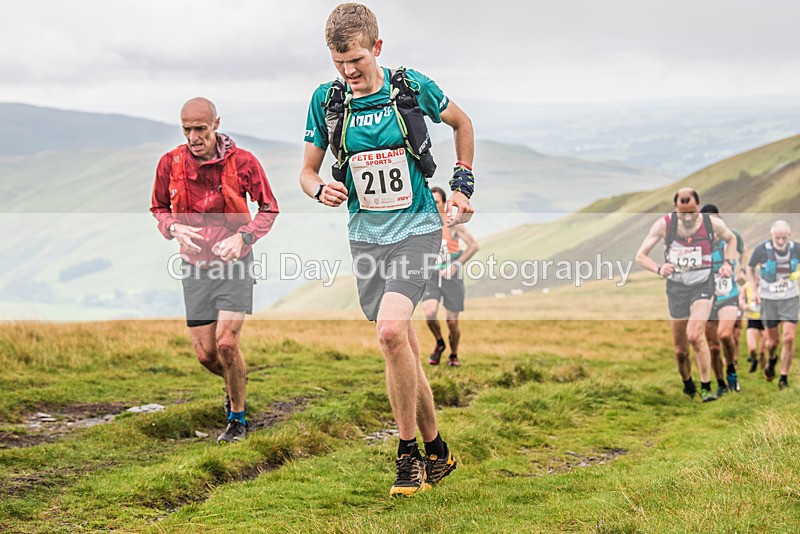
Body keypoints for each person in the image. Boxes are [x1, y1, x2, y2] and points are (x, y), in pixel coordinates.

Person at [299, 3, 474, 496]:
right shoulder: (327, 100)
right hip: (365, 236)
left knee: (391, 332)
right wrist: (318, 190)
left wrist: (462, 187)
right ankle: (439, 452)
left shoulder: (411, 88)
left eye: (355, 60)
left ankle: (406, 456)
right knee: (404, 349)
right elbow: (307, 172)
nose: (349, 72)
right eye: (338, 63)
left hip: (417, 228)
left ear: (377, 47)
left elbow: (463, 124)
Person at [151, 97, 279, 442]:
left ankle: (237, 418)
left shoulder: (243, 162)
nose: (194, 137)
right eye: (187, 130)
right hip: (194, 267)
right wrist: (174, 229)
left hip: (235, 264)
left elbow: (269, 208)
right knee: (206, 354)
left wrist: (244, 237)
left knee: (226, 343)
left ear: (216, 124)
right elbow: (158, 208)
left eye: (200, 129)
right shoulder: (170, 163)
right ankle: (233, 382)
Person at [635, 188, 738, 402]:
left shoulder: (712, 224)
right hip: (676, 289)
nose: (688, 217)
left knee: (695, 335)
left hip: (703, 285)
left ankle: (706, 387)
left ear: (698, 206)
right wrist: (658, 268)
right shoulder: (665, 225)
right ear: (675, 209)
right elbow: (640, 256)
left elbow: (732, 240)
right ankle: (688, 383)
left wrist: (728, 263)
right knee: (680, 351)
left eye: (692, 211)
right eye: (683, 213)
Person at [423, 187, 480, 367]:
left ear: (444, 203)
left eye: (437, 202)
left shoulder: (453, 223)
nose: (433, 205)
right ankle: (440, 343)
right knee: (430, 313)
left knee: (452, 322)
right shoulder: (423, 223)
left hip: (452, 275)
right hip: (431, 274)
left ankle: (453, 354)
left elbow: (473, 245)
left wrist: (455, 265)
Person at [747, 220, 799, 389]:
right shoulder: (761, 249)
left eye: (784, 237)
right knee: (773, 341)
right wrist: (754, 290)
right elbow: (750, 267)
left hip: (790, 298)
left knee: (789, 337)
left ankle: (783, 377)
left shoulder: (796, 248)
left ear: (789, 235)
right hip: (768, 299)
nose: (781, 241)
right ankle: (772, 359)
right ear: (772, 235)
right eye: (778, 237)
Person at [700, 204, 745, 396]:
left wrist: (741, 269)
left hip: (729, 294)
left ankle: (732, 372)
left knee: (725, 335)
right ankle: (720, 383)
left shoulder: (731, 236)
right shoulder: (698, 242)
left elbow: (743, 252)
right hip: (707, 296)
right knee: (713, 346)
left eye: (715, 219)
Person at [738, 269, 768, 373]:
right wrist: (744, 306)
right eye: (756, 275)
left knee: (763, 351)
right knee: (752, 349)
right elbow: (741, 300)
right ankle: (754, 360)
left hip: (765, 320)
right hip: (752, 320)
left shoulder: (767, 286)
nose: (757, 277)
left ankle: (766, 371)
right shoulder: (747, 286)